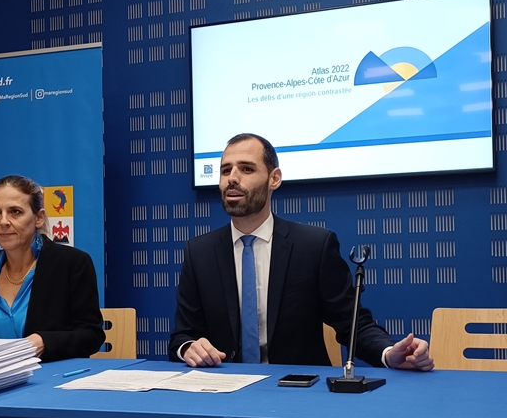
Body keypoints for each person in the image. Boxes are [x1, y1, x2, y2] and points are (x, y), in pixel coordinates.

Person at [169, 133, 434, 371]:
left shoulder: (313, 246)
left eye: (246, 169)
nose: (233, 178)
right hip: (223, 390)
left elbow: (352, 323)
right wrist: (189, 348)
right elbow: (182, 336)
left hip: (297, 391)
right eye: (226, 170)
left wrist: (389, 353)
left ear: (274, 179)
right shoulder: (199, 252)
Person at [0, 174, 105, 361]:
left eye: (15, 212)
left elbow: (91, 335)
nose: (3, 222)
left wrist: (44, 341)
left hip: (52, 380)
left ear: (38, 218)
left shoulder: (72, 264)